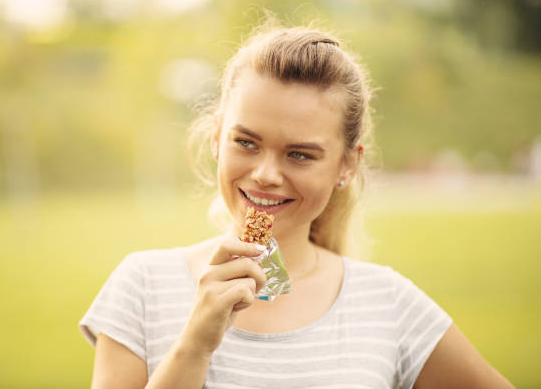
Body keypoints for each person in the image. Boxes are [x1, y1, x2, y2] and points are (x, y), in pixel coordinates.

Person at [79, 20, 515, 388]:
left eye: (300, 154)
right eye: (246, 142)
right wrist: (195, 345)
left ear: (347, 163)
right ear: (217, 138)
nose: (266, 173)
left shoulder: (389, 302)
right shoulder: (141, 287)